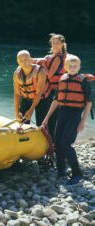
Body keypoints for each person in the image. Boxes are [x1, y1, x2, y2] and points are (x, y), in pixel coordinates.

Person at [42, 54, 92, 185]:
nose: (73, 67)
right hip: (62, 113)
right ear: (65, 67)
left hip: (75, 114)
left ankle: (77, 173)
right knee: (57, 141)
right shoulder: (62, 79)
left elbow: (89, 103)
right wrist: (46, 118)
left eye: (75, 66)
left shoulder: (84, 82)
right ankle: (61, 170)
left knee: (66, 143)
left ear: (79, 67)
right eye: (70, 66)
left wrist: (82, 121)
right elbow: (56, 101)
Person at [32, 33, 67, 137]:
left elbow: (49, 75)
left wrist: (42, 64)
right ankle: (52, 143)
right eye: (53, 43)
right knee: (52, 119)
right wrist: (29, 59)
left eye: (57, 43)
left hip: (51, 92)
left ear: (62, 44)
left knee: (46, 119)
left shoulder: (58, 58)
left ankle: (47, 143)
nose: (54, 45)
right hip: (56, 91)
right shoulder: (54, 56)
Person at [13, 50, 50, 125]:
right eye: (21, 60)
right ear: (17, 61)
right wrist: (16, 113)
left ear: (30, 59)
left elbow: (39, 93)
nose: (24, 62)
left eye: (26, 59)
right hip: (26, 99)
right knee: (21, 123)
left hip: (42, 99)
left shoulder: (40, 71)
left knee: (41, 124)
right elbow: (17, 94)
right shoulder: (16, 74)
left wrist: (31, 110)